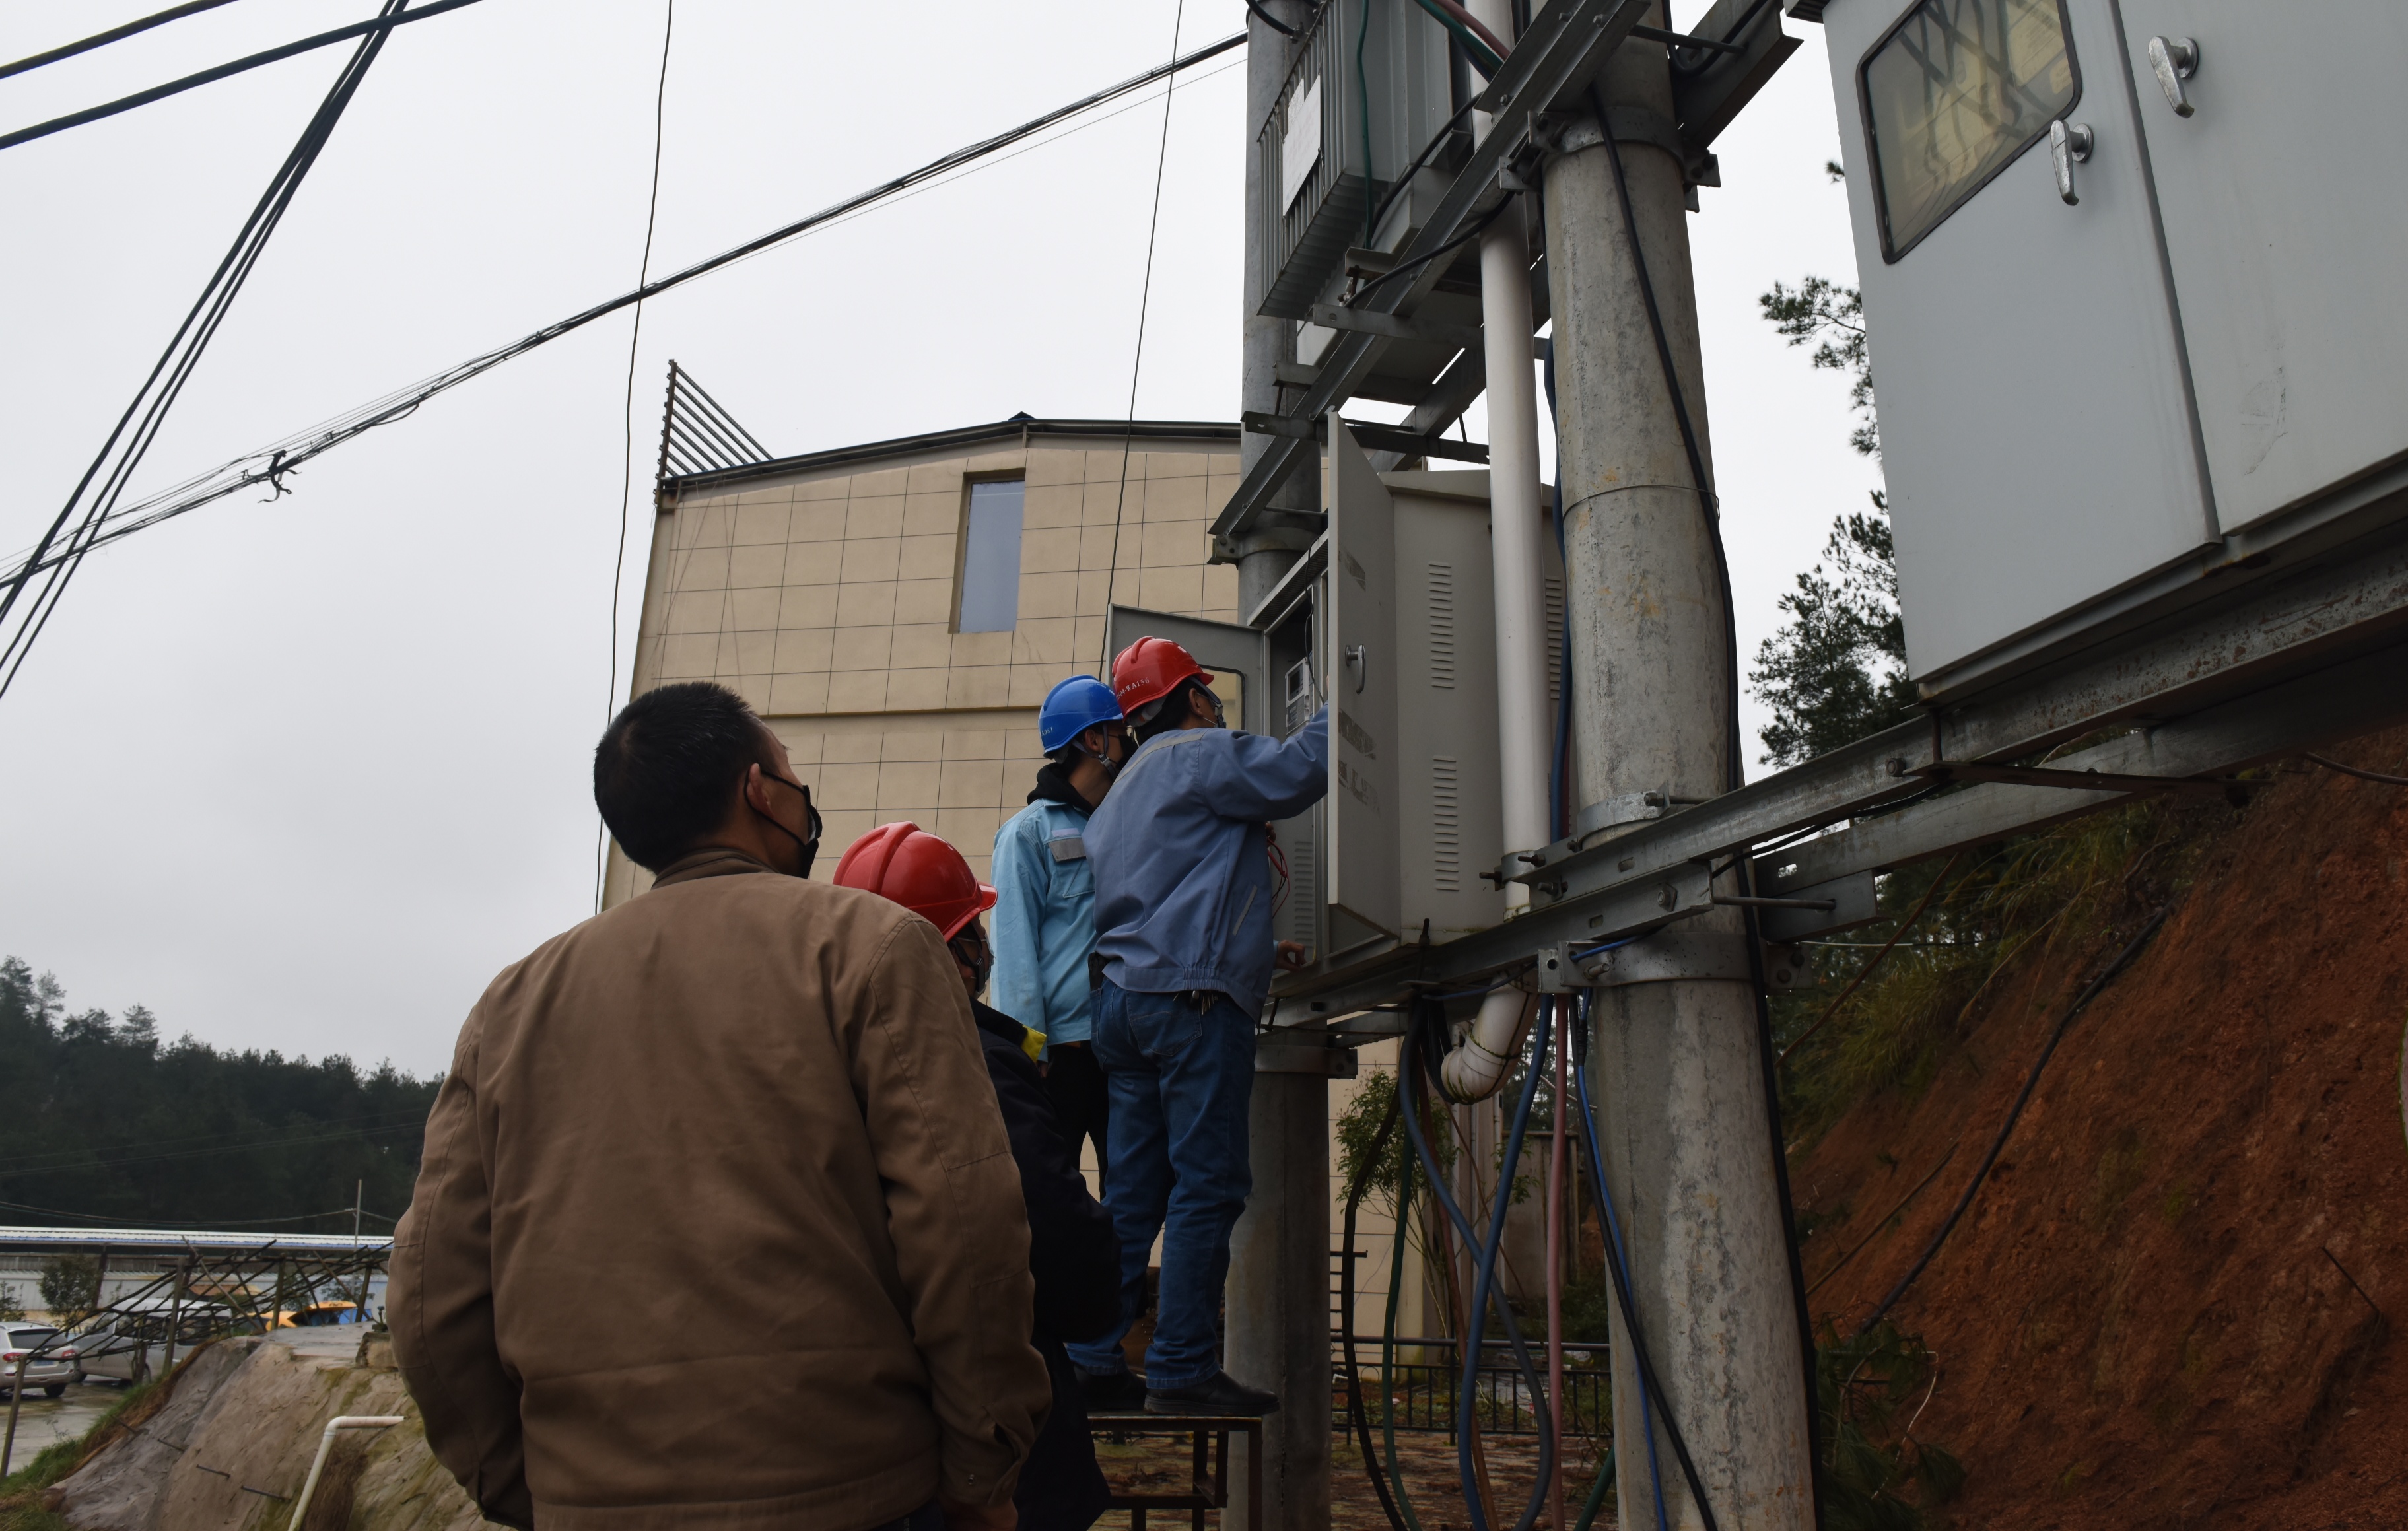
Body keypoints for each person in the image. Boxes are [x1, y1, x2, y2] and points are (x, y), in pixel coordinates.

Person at [389, 681, 1049, 1531]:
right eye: (787, 774)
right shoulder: (872, 946)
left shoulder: (510, 1006)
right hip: (854, 1490)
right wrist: (981, 1467)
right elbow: (967, 1225)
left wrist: (524, 1483)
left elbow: (429, 1286)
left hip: (587, 1497)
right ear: (756, 791)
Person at [1064, 638, 1330, 1417]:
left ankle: (1090, 1358)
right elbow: (1297, 772)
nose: (1217, 706)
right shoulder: (1197, 753)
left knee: (1133, 1196)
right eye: (1208, 695)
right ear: (1191, 699)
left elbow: (1172, 895)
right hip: (1191, 1005)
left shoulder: (1120, 793)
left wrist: (1257, 949)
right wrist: (1340, 699)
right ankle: (1180, 1366)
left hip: (1123, 1005)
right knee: (1207, 1187)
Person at [837, 823, 1123, 1531]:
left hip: (856, 1439)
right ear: (956, 957)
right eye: (974, 931)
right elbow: (1053, 1240)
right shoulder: (975, 1064)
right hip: (992, 1447)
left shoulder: (814, 1066)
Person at [990, 676, 1131, 1180]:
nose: (1129, 742)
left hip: (1120, 1047)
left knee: (1134, 1190)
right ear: (1093, 741)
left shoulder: (1123, 825)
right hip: (1060, 1058)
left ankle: (1118, 1265)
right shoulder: (1028, 832)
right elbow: (1012, 944)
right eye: (1120, 731)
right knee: (1052, 1194)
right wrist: (1028, 1055)